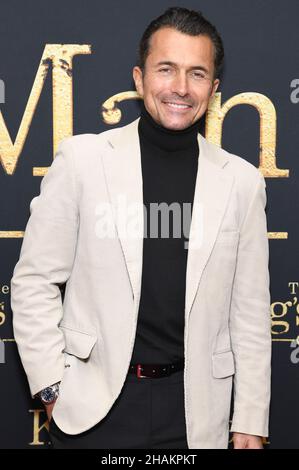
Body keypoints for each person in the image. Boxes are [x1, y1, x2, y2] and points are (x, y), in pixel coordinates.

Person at [10, 7, 271, 449]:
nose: (181, 88)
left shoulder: (242, 183)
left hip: (196, 415)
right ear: (139, 77)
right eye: (166, 69)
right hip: (93, 408)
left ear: (214, 88)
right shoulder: (83, 161)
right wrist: (53, 388)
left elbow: (248, 316)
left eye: (197, 73)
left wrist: (250, 418)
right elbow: (34, 281)